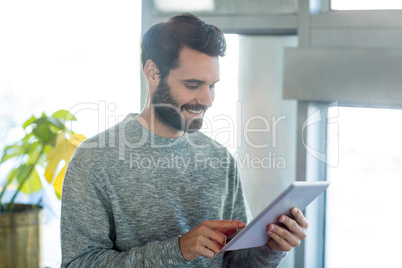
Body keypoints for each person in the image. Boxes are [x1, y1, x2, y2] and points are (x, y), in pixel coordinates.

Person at [60, 13, 308, 267]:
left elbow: (234, 262)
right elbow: (78, 263)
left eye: (212, 86)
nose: (208, 100)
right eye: (193, 85)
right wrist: (178, 250)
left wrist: (271, 248)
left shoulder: (220, 158)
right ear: (153, 73)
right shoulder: (94, 160)